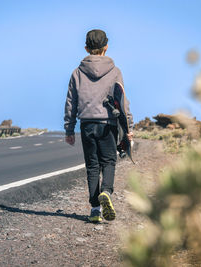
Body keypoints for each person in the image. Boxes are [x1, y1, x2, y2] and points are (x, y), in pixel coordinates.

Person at [64, 29, 133, 222]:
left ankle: (95, 210)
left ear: (86, 48)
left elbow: (71, 102)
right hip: (108, 124)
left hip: (87, 124)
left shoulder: (77, 73)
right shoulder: (115, 71)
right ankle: (106, 192)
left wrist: (69, 129)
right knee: (109, 162)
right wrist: (129, 129)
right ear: (106, 47)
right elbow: (122, 101)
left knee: (92, 166)